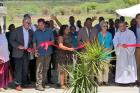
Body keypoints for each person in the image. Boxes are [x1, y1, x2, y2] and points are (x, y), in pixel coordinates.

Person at [9, 17, 33, 91]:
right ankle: (17, 84)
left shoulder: (31, 32)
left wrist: (30, 48)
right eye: (27, 22)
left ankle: (23, 83)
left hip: (26, 53)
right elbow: (11, 40)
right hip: (17, 53)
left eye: (29, 23)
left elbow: (31, 43)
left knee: (25, 69)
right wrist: (18, 46)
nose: (28, 24)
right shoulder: (16, 30)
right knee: (18, 69)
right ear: (23, 22)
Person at [33, 18, 54, 91]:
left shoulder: (50, 31)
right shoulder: (36, 32)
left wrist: (47, 43)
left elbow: (53, 41)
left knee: (46, 69)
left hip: (48, 53)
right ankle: (38, 85)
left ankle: (43, 83)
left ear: (44, 24)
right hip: (40, 54)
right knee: (39, 70)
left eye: (41, 25)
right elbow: (34, 42)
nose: (39, 26)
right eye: (38, 25)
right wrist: (35, 51)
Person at [55, 25, 74, 89]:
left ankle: (66, 83)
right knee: (62, 71)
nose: (68, 30)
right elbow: (60, 46)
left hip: (68, 55)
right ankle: (62, 84)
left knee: (66, 70)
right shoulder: (60, 37)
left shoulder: (68, 36)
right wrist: (69, 49)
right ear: (63, 30)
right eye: (67, 29)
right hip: (62, 56)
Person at [98, 21, 113, 85]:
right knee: (100, 68)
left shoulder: (110, 34)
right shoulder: (99, 34)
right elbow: (97, 43)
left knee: (106, 68)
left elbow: (112, 44)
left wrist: (109, 49)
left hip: (108, 53)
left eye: (106, 26)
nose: (105, 27)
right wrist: (100, 50)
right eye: (104, 26)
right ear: (101, 27)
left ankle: (105, 81)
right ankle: (100, 81)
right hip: (100, 53)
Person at [129, 14, 140, 85]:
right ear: (136, 19)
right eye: (139, 18)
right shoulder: (131, 29)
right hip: (136, 49)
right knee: (136, 65)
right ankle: (137, 80)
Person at [0, 26, 11, 91]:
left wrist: (8, 54)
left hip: (6, 57)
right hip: (1, 58)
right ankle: (0, 86)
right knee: (1, 73)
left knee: (5, 72)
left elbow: (5, 46)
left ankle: (4, 85)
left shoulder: (3, 36)